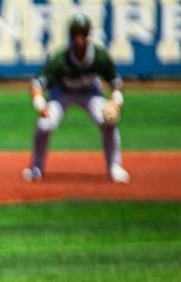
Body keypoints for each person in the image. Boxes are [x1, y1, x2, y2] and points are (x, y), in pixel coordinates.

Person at [23, 13, 128, 183]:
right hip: (62, 93)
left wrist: (116, 99)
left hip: (90, 93)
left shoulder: (99, 57)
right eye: (75, 33)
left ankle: (115, 166)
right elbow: (37, 84)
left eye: (83, 33)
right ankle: (36, 167)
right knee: (44, 125)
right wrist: (40, 103)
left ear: (88, 34)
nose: (79, 38)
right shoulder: (60, 59)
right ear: (70, 35)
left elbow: (115, 82)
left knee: (108, 121)